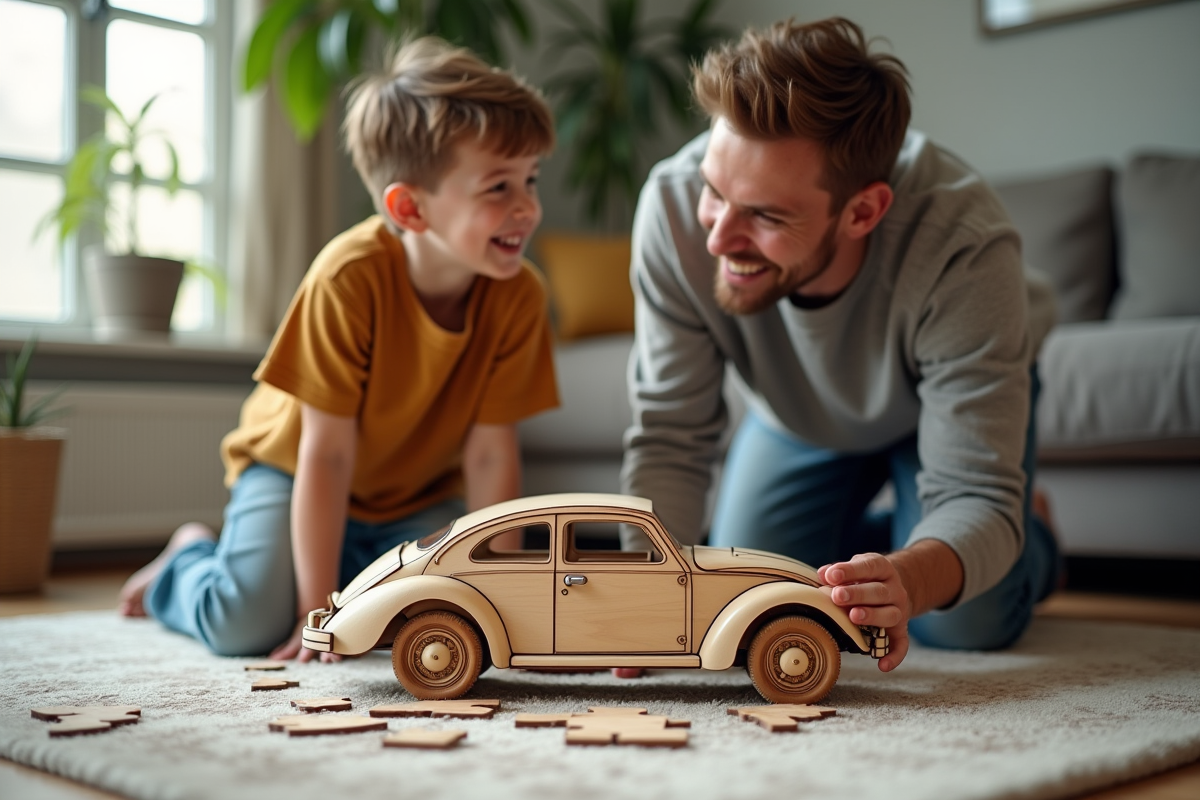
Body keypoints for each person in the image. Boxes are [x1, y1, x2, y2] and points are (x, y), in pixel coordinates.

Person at [619, 17, 1061, 673]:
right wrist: (642, 600)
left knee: (967, 621)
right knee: (754, 595)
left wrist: (910, 578)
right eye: (715, 193)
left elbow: (975, 493)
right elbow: (670, 435)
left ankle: (1037, 539)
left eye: (766, 216)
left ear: (863, 212)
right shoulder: (672, 207)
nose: (717, 238)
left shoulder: (964, 242)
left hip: (935, 413)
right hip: (797, 415)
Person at [118, 38, 560, 662]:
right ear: (410, 208)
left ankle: (350, 563)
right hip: (294, 470)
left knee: (452, 597)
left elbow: (491, 455)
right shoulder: (348, 277)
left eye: (531, 179)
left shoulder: (518, 295)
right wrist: (314, 612)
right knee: (243, 624)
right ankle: (187, 559)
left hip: (414, 495)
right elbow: (324, 457)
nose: (527, 207)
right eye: (497, 188)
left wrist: (503, 593)